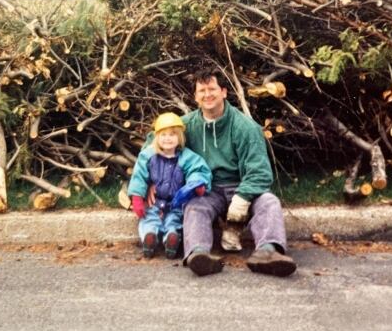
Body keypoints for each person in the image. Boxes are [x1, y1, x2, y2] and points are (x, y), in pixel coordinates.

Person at [180, 67, 297, 277]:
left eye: (212, 89)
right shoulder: (186, 126)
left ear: (224, 92)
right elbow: (155, 148)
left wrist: (242, 197)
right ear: (195, 96)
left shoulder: (245, 127)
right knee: (194, 206)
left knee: (269, 202)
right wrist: (149, 181)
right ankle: (198, 254)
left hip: (241, 186)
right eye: (202, 91)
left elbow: (260, 171)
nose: (207, 95)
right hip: (208, 189)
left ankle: (268, 252)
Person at [127, 112, 211, 259]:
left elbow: (197, 169)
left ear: (180, 138)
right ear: (156, 137)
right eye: (163, 134)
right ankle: (149, 237)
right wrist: (137, 196)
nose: (167, 138)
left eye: (172, 134)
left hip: (175, 202)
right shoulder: (148, 155)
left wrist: (197, 184)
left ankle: (171, 239)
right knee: (148, 218)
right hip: (155, 201)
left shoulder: (186, 156)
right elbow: (139, 175)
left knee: (174, 219)